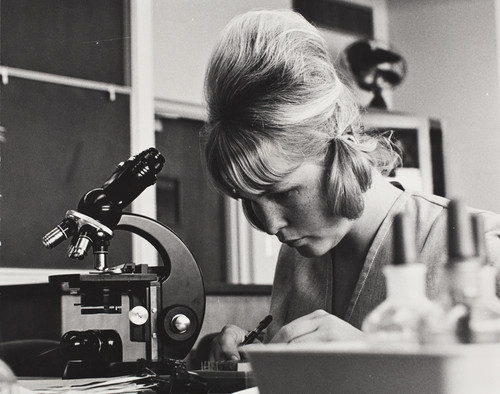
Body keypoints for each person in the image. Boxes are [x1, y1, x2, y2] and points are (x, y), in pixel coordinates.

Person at [200, 9, 500, 361]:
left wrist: (376, 359)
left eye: (282, 192)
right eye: (248, 200)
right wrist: (257, 357)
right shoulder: (297, 260)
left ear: (336, 145)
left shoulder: (481, 247)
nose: (270, 225)